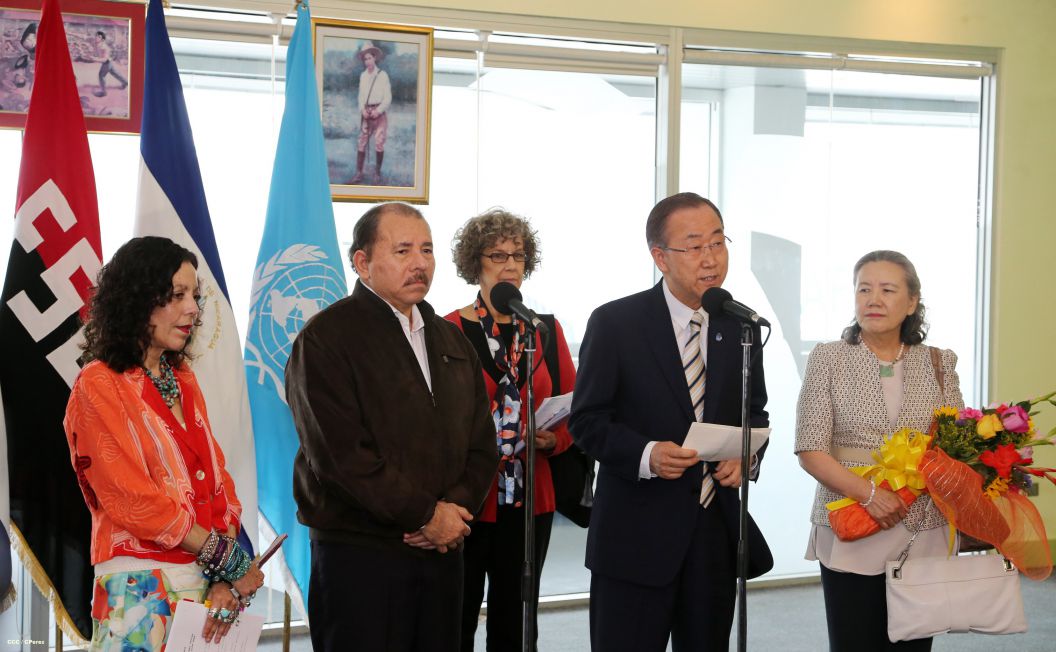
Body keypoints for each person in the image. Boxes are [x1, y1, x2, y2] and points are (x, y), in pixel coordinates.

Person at [286, 202, 497, 652]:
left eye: (427, 250)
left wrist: (452, 512)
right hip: (362, 555)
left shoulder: (452, 339)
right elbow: (340, 458)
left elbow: (482, 444)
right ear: (362, 263)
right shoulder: (327, 339)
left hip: (442, 550)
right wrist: (425, 514)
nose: (420, 263)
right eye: (403, 251)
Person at [568, 192, 771, 651]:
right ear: (660, 257)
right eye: (694, 246)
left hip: (712, 532)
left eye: (718, 243)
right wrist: (646, 454)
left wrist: (747, 456)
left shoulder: (739, 326)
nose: (710, 259)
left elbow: (753, 411)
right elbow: (587, 420)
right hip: (635, 536)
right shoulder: (616, 323)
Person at [63, 236, 264, 650]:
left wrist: (223, 574)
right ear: (137, 300)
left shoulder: (183, 378)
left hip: (203, 583)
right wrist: (226, 558)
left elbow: (217, 480)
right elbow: (132, 499)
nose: (192, 308)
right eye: (176, 295)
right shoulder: (99, 383)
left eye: (194, 295)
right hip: (138, 584)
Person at [794, 250, 965, 651]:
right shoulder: (829, 357)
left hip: (922, 522)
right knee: (855, 640)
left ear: (911, 302)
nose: (874, 299)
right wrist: (869, 495)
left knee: (913, 643)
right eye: (864, 289)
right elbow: (809, 448)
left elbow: (954, 443)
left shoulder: (939, 361)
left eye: (888, 290)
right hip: (851, 518)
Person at [444, 208, 577, 651]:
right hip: (465, 499)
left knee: (517, 620)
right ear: (474, 263)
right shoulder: (447, 330)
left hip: (529, 500)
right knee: (456, 615)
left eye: (518, 255)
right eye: (498, 255)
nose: (510, 266)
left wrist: (554, 439)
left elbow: (576, 409)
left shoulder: (543, 329)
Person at [349, 41, 392, 185]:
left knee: (379, 142)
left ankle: (377, 173)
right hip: (366, 113)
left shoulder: (383, 75)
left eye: (370, 58)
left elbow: (388, 97)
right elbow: (361, 96)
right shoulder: (363, 76)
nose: (368, 61)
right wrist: (363, 110)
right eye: (365, 59)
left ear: (375, 58)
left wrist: (378, 111)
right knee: (361, 142)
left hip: (379, 113)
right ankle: (359, 173)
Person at [92, 31, 127, 98]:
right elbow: (82, 36)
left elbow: (104, 59)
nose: (96, 37)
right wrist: (69, 33)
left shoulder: (105, 47)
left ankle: (103, 92)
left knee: (101, 76)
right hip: (109, 62)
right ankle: (125, 82)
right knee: (115, 74)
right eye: (96, 35)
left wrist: (93, 59)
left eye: (99, 37)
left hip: (107, 63)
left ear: (102, 39)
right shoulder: (93, 41)